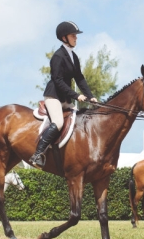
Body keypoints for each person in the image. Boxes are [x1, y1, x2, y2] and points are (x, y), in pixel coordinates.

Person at [28, 21, 97, 169]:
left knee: (81, 120)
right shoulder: (58, 56)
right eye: (73, 36)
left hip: (65, 98)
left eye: (76, 36)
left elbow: (79, 78)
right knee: (58, 123)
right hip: (53, 96)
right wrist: (76, 95)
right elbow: (57, 80)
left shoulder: (74, 56)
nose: (76, 38)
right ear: (64, 37)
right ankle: (38, 154)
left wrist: (90, 96)